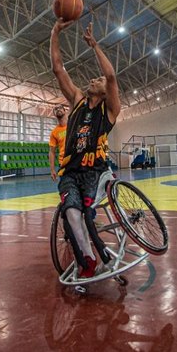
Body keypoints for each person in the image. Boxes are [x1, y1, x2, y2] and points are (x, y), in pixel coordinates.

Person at [51, 17, 120, 279]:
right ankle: (88, 261)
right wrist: (55, 32)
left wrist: (94, 46)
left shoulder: (110, 111)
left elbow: (112, 76)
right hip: (70, 172)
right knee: (71, 211)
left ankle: (103, 254)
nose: (95, 78)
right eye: (95, 78)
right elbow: (58, 69)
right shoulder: (78, 101)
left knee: (87, 211)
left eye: (98, 80)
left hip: (97, 172)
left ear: (105, 91)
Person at [48, 104, 68, 182]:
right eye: (55, 109)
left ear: (64, 111)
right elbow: (52, 152)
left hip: (77, 161)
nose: (58, 109)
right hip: (63, 163)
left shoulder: (73, 125)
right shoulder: (54, 132)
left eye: (60, 108)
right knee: (66, 188)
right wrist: (52, 170)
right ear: (54, 114)